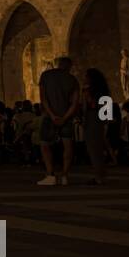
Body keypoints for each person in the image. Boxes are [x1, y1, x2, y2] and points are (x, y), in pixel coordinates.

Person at [37, 56, 80, 186]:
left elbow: (43, 98)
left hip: (49, 116)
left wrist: (52, 115)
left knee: (45, 145)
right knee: (67, 145)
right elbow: (74, 103)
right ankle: (65, 175)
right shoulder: (72, 79)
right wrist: (65, 117)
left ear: (58, 64)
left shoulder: (46, 75)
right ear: (69, 67)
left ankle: (50, 174)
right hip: (66, 117)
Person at [81, 68, 112, 184]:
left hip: (92, 118)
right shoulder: (104, 91)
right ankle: (101, 174)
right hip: (100, 120)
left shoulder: (88, 90)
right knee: (98, 149)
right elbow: (107, 113)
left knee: (93, 149)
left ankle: (98, 176)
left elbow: (85, 107)